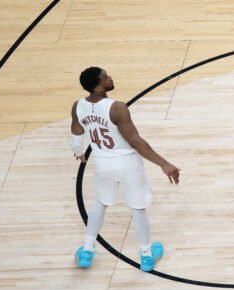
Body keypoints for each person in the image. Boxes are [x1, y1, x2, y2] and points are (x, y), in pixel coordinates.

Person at [69, 67, 180, 272]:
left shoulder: (78, 106)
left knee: (101, 203)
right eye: (106, 78)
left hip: (102, 164)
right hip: (127, 164)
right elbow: (135, 141)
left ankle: (86, 251)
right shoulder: (117, 108)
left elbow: (76, 136)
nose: (110, 78)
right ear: (98, 88)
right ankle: (146, 256)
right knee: (138, 208)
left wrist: (78, 152)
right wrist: (163, 163)